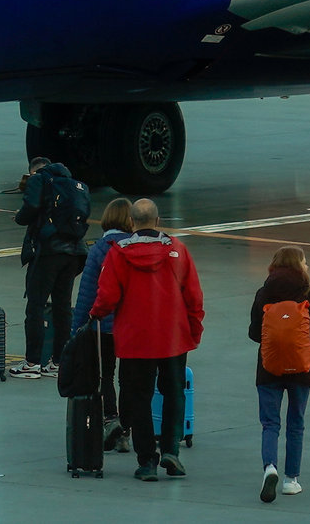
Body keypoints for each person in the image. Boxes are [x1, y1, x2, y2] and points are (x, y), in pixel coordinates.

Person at [89, 198, 205, 482]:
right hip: (173, 337)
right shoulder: (177, 250)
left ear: (131, 222)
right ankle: (170, 450)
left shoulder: (118, 253)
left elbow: (107, 296)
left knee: (138, 396)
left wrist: (95, 315)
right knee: (174, 393)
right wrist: (193, 330)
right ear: (158, 220)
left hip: (135, 339)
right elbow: (194, 296)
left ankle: (147, 462)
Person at [249, 246, 310, 502]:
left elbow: (254, 333)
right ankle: (291, 480)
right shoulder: (309, 294)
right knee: (296, 423)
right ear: (299, 265)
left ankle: (270, 467)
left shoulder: (263, 293)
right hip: (301, 367)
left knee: (270, 423)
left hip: (268, 367)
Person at [10, 160, 89, 378]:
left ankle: (32, 363)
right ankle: (58, 362)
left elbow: (31, 208)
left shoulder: (39, 179)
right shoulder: (74, 185)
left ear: (35, 171)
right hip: (74, 252)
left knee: (35, 306)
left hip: (48, 252)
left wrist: (19, 217)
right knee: (63, 307)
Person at [71, 196, 135, 452]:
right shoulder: (136, 247)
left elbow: (87, 293)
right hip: (132, 327)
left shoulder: (99, 249)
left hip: (104, 327)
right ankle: (127, 429)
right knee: (129, 379)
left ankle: (111, 420)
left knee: (105, 376)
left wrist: (77, 329)